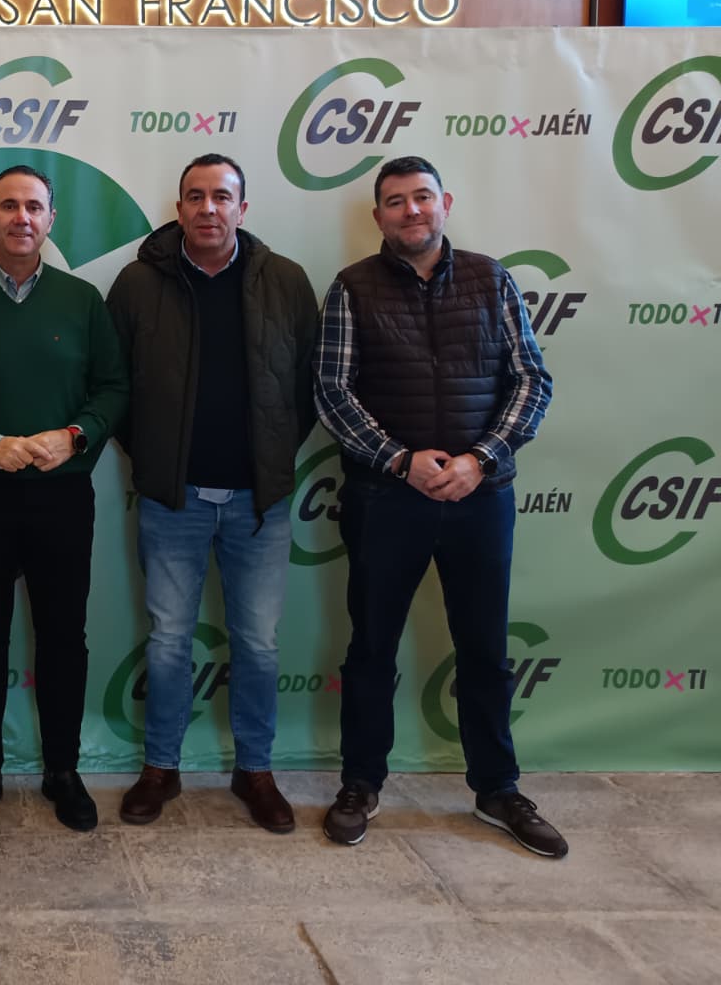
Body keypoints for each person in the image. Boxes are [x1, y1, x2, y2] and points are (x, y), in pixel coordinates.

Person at [313, 154, 565, 857]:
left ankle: (498, 789)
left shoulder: (492, 278)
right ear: (378, 216)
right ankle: (360, 782)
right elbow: (332, 391)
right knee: (371, 649)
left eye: (422, 197)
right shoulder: (352, 287)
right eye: (396, 201)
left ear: (444, 203)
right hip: (384, 498)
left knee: (484, 649)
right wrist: (400, 459)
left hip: (481, 496)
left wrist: (480, 459)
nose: (411, 211)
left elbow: (531, 380)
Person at [105, 153, 317, 831]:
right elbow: (114, 385)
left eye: (221, 196)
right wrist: (156, 458)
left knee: (258, 644)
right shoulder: (139, 283)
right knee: (169, 641)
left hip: (260, 504)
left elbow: (308, 385)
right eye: (195, 196)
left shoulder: (286, 281)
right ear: (179, 208)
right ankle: (160, 768)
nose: (208, 208)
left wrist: (272, 457)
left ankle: (255, 770)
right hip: (175, 500)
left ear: (242, 209)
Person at [0, 164, 128, 833]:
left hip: (62, 498)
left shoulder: (82, 300)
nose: (21, 217)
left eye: (34, 206)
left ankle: (63, 769)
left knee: (64, 636)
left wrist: (75, 435)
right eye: (8, 206)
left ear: (50, 219)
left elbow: (114, 389)